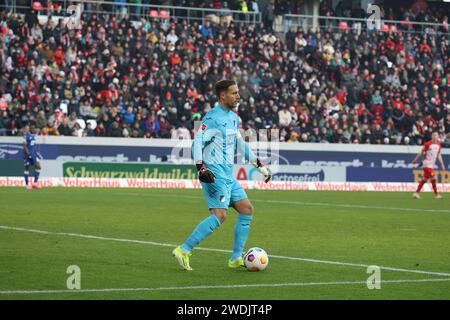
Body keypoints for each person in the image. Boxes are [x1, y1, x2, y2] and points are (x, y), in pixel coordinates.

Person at [172, 80, 271, 271]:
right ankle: (184, 250)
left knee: (246, 209)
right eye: (234, 93)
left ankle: (235, 258)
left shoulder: (233, 118)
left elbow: (240, 144)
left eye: (237, 92)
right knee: (220, 214)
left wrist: (259, 166)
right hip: (213, 172)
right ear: (223, 95)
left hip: (227, 175)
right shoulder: (212, 118)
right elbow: (197, 142)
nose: (238, 96)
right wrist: (201, 167)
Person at [411, 131, 446, 199]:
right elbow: (421, 152)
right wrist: (415, 159)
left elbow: (439, 155)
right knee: (434, 178)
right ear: (431, 136)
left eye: (436, 135)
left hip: (431, 165)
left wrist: (442, 165)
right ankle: (436, 195)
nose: (435, 136)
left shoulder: (439, 145)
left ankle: (416, 193)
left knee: (424, 179)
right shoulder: (428, 144)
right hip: (427, 164)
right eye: (433, 135)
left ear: (438, 136)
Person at [22, 124, 42, 190]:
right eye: (31, 128)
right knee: (27, 168)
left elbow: (33, 146)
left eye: (34, 128)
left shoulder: (34, 136)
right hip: (28, 154)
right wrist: (29, 154)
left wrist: (36, 153)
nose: (33, 129)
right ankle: (27, 184)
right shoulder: (25, 136)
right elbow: (24, 146)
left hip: (33, 154)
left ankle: (35, 183)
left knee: (38, 166)